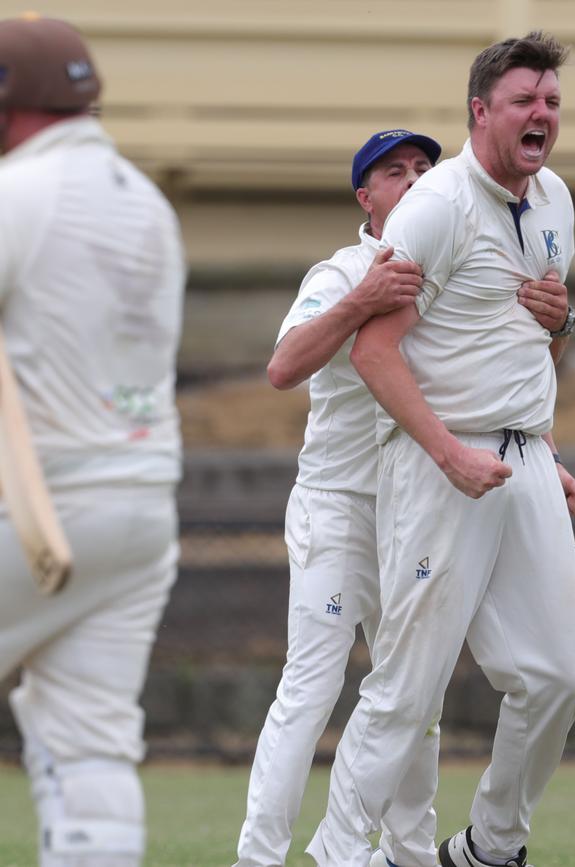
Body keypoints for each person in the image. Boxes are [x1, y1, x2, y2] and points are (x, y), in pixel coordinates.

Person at [235, 122, 575, 866]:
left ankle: (412, 851)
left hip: (420, 494)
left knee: (414, 691)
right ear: (365, 197)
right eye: (394, 171)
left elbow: (498, 376)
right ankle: (260, 857)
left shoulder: (449, 252)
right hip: (340, 503)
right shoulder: (343, 272)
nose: (416, 178)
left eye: (424, 165)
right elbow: (283, 366)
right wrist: (361, 301)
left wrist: (542, 451)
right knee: (313, 687)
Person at [307, 32, 575, 867]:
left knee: (558, 678)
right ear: (481, 111)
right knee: (410, 684)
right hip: (443, 465)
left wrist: (561, 343)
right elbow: (372, 352)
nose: (541, 115)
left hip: (525, 459)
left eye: (551, 102)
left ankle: (489, 847)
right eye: (523, 102)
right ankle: (333, 854)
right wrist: (449, 454)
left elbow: (531, 343)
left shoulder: (556, 202)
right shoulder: (437, 203)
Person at [0, 15, 185, 867]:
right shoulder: (146, 202)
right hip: (141, 508)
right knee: (90, 742)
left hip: (38, 505)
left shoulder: (20, 196)